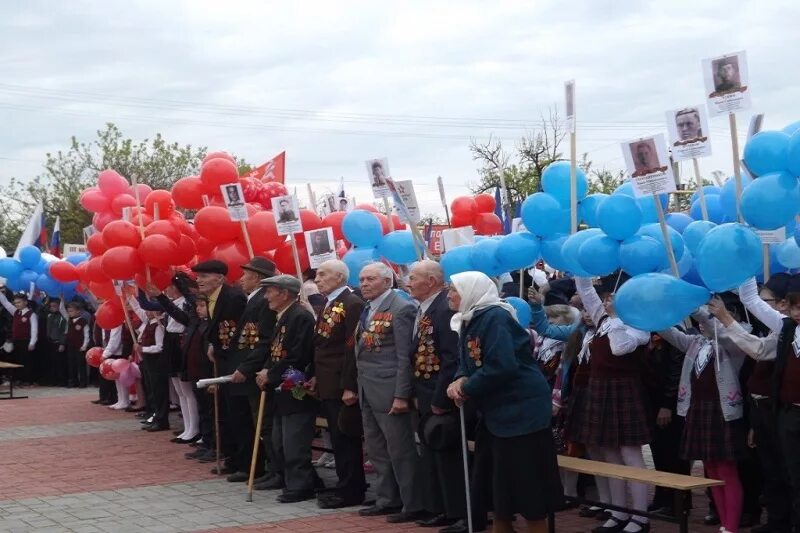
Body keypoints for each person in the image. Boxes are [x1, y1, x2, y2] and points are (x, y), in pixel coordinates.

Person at [447, 271, 562, 533]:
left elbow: (502, 365)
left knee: (527, 489)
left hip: (520, 413)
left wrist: (467, 387)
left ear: (472, 291)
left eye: (454, 290)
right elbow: (467, 361)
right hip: (496, 415)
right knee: (498, 490)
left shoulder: (495, 317)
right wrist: (459, 378)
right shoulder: (469, 318)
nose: (449, 295)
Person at [658, 297, 748, 533]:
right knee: (711, 468)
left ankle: (732, 525)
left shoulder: (737, 339)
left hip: (722, 411)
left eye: (712, 314)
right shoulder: (696, 342)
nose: (703, 322)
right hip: (698, 409)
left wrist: (696, 306)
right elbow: (670, 333)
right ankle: (723, 520)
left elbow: (719, 330)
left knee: (726, 470)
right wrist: (653, 313)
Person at [574, 275, 652, 533]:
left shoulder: (639, 326)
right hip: (600, 389)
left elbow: (620, 349)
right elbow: (585, 289)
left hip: (623, 389)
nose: (608, 301)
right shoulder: (604, 320)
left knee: (630, 453)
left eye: (614, 297)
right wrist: (580, 265)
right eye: (608, 297)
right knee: (608, 452)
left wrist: (617, 317)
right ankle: (618, 512)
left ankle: (640, 517)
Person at [355, 262, 426, 523]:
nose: (363, 284)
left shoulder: (401, 308)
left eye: (370, 279)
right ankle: (387, 498)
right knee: (377, 450)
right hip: (368, 388)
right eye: (361, 279)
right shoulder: (367, 308)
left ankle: (412, 502)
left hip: (389, 390)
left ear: (387, 281)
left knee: (401, 451)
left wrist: (401, 395)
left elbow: (403, 357)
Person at [726, 276, 797, 533]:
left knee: (790, 472)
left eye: (773, 302)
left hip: (782, 409)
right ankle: (778, 521)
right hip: (767, 410)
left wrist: (726, 319)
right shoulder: (782, 329)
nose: (773, 308)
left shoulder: (786, 328)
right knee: (773, 469)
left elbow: (757, 347)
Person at [405, 260, 466, 531]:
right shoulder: (426, 308)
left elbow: (450, 359)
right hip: (426, 391)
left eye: (413, 278)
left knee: (450, 457)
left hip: (442, 397)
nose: (407, 282)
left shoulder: (444, 308)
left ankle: (460, 511)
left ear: (431, 281)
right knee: (433, 455)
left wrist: (441, 400)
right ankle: (441, 507)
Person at [308, 259, 367, 509]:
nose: (317, 279)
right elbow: (321, 343)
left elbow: (350, 348)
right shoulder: (329, 302)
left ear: (340, 278)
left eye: (323, 275)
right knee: (338, 435)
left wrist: (349, 385)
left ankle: (352, 490)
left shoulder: (351, 303)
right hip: (326, 380)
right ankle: (345, 485)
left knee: (345, 437)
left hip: (340, 382)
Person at [255, 274, 318, 503]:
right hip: (282, 381)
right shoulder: (283, 316)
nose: (266, 296)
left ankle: (302, 485)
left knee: (294, 437)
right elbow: (275, 352)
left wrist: (271, 374)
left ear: (284, 294)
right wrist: (266, 372)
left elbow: (297, 356)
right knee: (279, 438)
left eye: (270, 291)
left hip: (296, 380)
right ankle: (304, 480)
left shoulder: (299, 316)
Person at [224, 257, 277, 484]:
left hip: (254, 371)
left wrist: (246, 367)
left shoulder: (262, 302)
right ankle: (265, 469)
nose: (241, 279)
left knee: (263, 423)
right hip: (246, 368)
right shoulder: (253, 300)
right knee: (254, 421)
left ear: (257, 278)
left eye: (246, 275)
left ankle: (272, 469)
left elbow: (263, 340)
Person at [191, 259, 247, 473]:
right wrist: (214, 344)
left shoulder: (233, 298)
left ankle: (242, 462)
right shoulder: (211, 297)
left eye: (205, 276)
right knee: (224, 413)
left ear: (220, 278)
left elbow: (238, 331)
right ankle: (231, 458)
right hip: (221, 358)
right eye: (199, 276)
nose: (200, 280)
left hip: (234, 361)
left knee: (237, 415)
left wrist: (221, 348)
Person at [149, 273, 201, 444]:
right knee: (179, 390)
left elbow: (183, 319)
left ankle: (194, 428)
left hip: (180, 342)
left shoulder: (187, 302)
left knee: (186, 390)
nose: (167, 289)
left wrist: (162, 298)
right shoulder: (175, 303)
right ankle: (187, 427)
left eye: (170, 286)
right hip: (171, 341)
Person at [0, 290, 38, 385]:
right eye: (15, 303)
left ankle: (28, 380)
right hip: (16, 341)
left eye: (19, 302)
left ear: (25, 302)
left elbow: (34, 330)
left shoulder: (31, 314)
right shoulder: (15, 312)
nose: (17, 304)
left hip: (26, 341)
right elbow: (5, 302)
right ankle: (19, 379)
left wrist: (32, 342)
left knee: (27, 361)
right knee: (17, 361)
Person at [61, 300, 90, 389]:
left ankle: (83, 382)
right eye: (68, 311)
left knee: (81, 365)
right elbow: (62, 310)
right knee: (71, 364)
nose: (69, 313)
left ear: (78, 311)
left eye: (71, 311)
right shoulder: (69, 319)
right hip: (71, 345)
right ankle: (73, 381)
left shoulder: (83, 321)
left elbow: (86, 335)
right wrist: (62, 300)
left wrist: (84, 345)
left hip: (80, 346)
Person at [43, 298, 67, 386]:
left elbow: (64, 331)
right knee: (52, 362)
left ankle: (62, 381)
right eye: (51, 306)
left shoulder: (62, 317)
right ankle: (53, 380)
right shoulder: (49, 315)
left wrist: (62, 343)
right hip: (50, 342)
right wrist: (47, 301)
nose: (52, 308)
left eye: (54, 306)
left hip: (58, 342)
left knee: (60, 363)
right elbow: (42, 310)